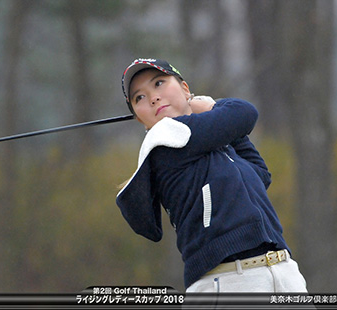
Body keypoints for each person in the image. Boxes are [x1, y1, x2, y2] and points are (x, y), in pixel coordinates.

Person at [116, 58, 308, 293]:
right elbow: (246, 113)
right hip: (228, 283)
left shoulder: (208, 143)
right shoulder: (166, 139)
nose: (153, 97)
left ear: (185, 88)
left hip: (283, 273)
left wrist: (219, 122)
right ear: (140, 118)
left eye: (159, 83)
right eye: (139, 98)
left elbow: (260, 175)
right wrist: (212, 106)